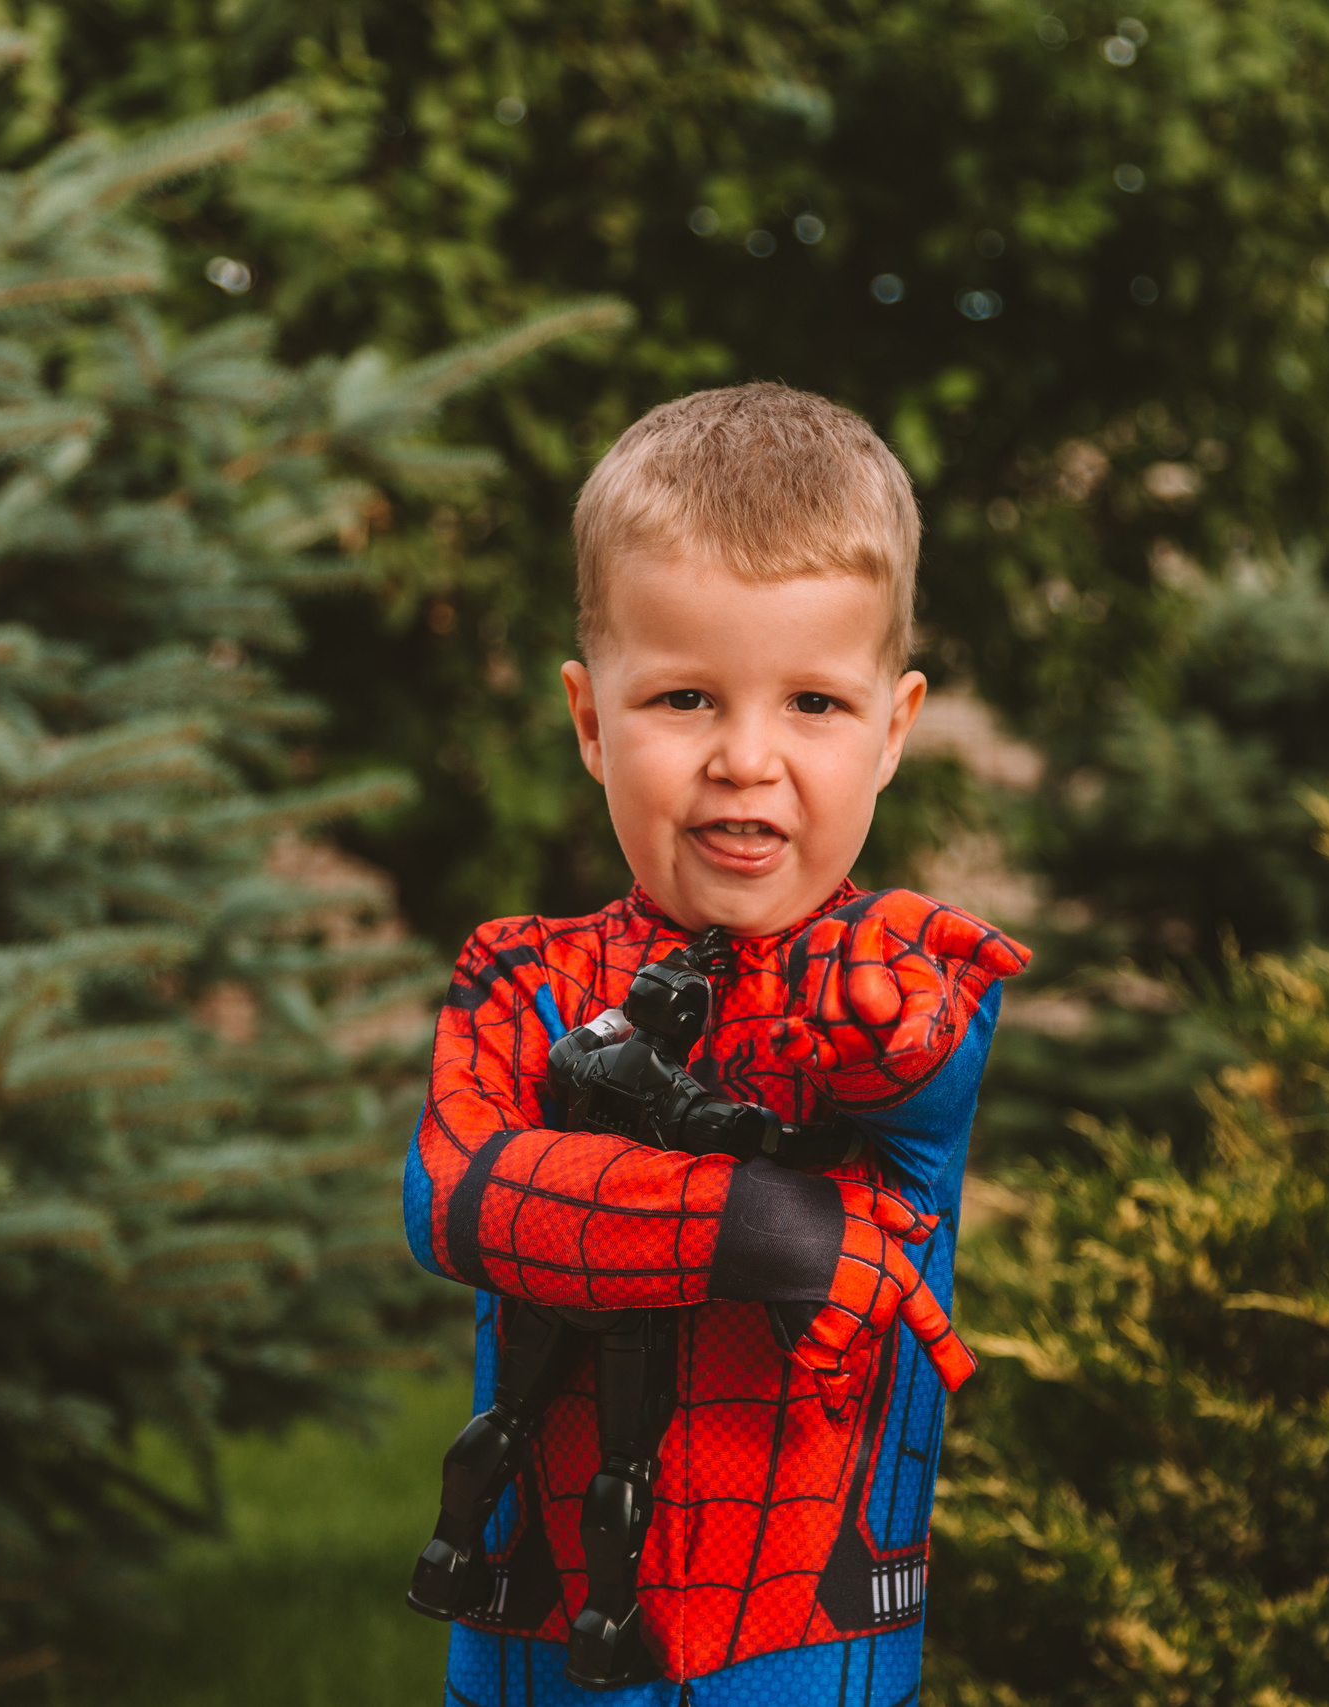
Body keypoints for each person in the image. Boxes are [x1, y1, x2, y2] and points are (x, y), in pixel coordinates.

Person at [402, 382, 1029, 1705]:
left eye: (814, 704)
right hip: (534, 1650)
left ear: (895, 730)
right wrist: (772, 1227)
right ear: (591, 721)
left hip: (816, 1647)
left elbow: (908, 1054)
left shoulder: (904, 974)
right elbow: (457, 1195)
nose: (746, 758)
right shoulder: (521, 977)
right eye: (686, 698)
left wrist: (872, 1005)